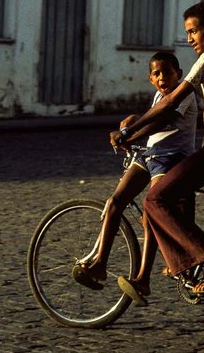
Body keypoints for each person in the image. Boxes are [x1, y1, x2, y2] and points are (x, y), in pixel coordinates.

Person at [109, 1, 204, 304]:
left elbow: (169, 103)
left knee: (154, 199)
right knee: (169, 195)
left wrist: (126, 133)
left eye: (192, 31)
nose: (188, 38)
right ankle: (178, 264)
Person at [72, 51, 197, 291]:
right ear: (150, 78)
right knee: (115, 201)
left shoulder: (184, 94)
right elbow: (152, 118)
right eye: (156, 74)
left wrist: (127, 135)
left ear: (178, 74)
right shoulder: (158, 96)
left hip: (171, 158)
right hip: (149, 156)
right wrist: (134, 122)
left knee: (151, 211)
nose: (162, 78)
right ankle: (99, 264)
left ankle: (142, 279)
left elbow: (162, 120)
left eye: (167, 72)